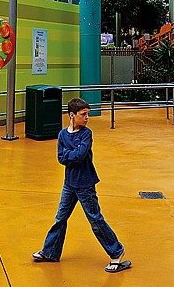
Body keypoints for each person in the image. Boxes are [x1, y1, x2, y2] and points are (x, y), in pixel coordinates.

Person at [32, 97, 131, 273]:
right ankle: (50, 252)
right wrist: (73, 154)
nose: (86, 118)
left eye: (87, 114)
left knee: (95, 219)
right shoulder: (62, 134)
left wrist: (71, 154)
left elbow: (79, 155)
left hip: (85, 184)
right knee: (60, 218)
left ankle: (117, 252)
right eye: (83, 114)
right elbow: (62, 158)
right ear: (72, 115)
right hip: (69, 184)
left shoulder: (87, 133)